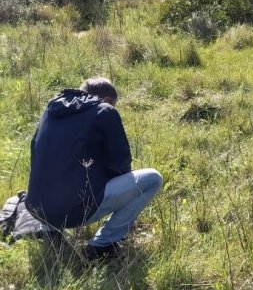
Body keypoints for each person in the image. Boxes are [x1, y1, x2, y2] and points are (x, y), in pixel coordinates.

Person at [26, 77, 163, 260]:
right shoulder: (104, 111)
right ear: (107, 99)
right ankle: (102, 245)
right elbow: (120, 164)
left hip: (37, 208)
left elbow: (37, 152)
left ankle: (51, 232)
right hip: (73, 211)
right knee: (153, 179)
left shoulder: (51, 109)